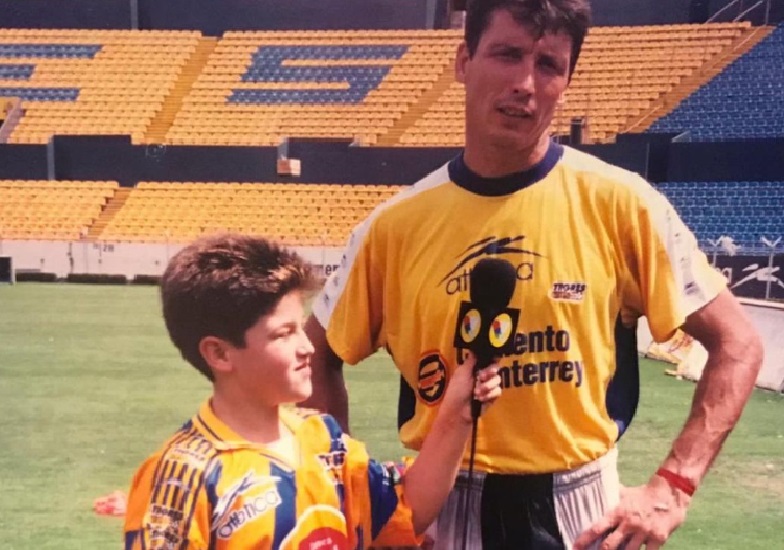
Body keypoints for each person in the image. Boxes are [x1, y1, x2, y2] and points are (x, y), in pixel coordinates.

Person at [302, 0, 764, 548]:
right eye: (506, 54)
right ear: (462, 61)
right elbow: (313, 357)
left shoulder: (623, 203)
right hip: (438, 508)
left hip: (581, 511)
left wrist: (674, 486)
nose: (525, 82)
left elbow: (738, 343)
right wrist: (344, 492)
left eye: (548, 65)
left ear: (566, 81)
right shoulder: (393, 227)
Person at [122, 234, 502, 549]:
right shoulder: (183, 474)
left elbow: (407, 510)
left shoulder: (323, 438)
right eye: (284, 334)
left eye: (300, 328)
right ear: (219, 353)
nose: (306, 347)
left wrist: (457, 413)